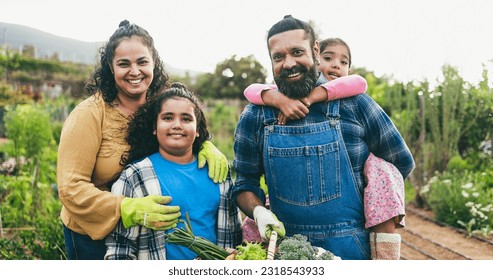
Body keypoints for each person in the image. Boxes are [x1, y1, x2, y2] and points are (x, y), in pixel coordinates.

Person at [232, 15, 415, 260]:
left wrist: (373, 199)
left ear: (315, 51)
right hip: (286, 253)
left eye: (297, 52)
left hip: (351, 250)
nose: (288, 63)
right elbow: (244, 183)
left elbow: (399, 162)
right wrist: (258, 212)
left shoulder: (355, 105)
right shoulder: (255, 115)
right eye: (278, 57)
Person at [56, 20, 228, 260]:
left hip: (146, 230)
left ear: (154, 63)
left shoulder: (158, 105)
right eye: (124, 64)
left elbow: (183, 126)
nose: (134, 71)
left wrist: (204, 144)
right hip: (91, 233)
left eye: (142, 62)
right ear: (110, 66)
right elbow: (70, 188)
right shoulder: (89, 114)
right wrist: (126, 207)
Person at [105, 83, 242, 260]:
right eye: (168, 118)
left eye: (186, 119)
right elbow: (120, 247)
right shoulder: (135, 176)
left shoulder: (217, 173)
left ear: (198, 130)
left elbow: (234, 235)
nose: (177, 125)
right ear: (154, 128)